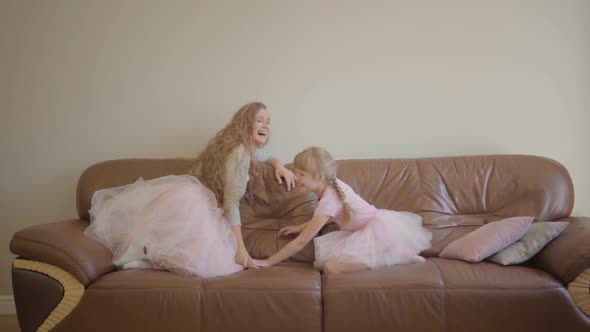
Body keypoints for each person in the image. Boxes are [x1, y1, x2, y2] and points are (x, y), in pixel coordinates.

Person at [84, 102, 295, 278]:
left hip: (194, 199)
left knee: (202, 256)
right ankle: (141, 251)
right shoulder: (239, 152)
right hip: (195, 204)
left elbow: (264, 156)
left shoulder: (243, 149)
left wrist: (278, 165)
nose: (266, 125)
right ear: (245, 123)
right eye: (260, 120)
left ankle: (148, 258)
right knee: (218, 264)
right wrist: (240, 248)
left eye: (268, 121)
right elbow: (231, 202)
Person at [252, 146, 432, 274]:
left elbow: (300, 243)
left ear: (320, 177)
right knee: (330, 264)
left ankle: (394, 258)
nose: (296, 178)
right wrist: (300, 227)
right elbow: (325, 218)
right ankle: (395, 255)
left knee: (331, 268)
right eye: (296, 172)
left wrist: (268, 262)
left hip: (378, 235)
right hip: (369, 229)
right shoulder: (332, 185)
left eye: (302, 175)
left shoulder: (329, 200)